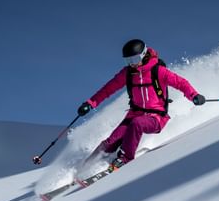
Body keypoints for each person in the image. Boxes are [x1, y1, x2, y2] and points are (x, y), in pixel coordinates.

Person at [77, 39, 205, 170]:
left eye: (135, 59)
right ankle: (83, 168)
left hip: (156, 116)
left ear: (144, 55)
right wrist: (90, 103)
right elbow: (107, 89)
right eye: (128, 61)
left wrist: (194, 95)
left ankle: (124, 158)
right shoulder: (127, 73)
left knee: (137, 123)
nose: (132, 64)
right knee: (110, 143)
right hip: (134, 113)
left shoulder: (158, 71)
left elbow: (181, 83)